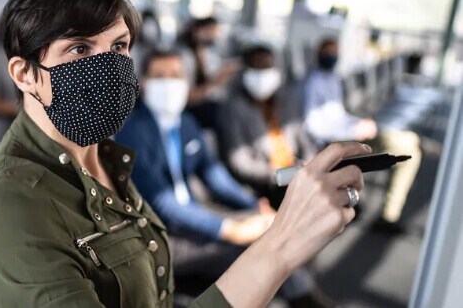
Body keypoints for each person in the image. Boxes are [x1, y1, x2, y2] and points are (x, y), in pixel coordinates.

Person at [0, 0, 369, 307]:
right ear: (25, 74)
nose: (108, 66)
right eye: (80, 49)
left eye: (119, 45)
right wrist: (281, 243)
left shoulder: (106, 158)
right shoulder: (7, 199)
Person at [115, 50, 331, 306]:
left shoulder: (186, 123)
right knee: (254, 247)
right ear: (144, 84)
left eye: (175, 75)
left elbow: (214, 174)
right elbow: (162, 203)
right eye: (160, 76)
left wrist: (252, 205)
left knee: (268, 227)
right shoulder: (132, 131)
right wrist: (230, 229)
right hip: (157, 236)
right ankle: (308, 301)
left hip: (193, 216)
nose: (169, 83)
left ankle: (303, 296)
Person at [304, 37, 422, 233]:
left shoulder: (331, 79)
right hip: (336, 143)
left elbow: (338, 116)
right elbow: (314, 126)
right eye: (329, 52)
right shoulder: (312, 83)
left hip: (349, 134)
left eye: (335, 52)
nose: (333, 56)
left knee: (410, 142)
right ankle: (389, 215)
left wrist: (357, 123)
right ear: (319, 54)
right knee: (409, 150)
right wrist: (352, 130)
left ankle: (389, 214)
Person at [215, 43, 317, 208]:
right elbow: (239, 161)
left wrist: (310, 163)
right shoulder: (233, 108)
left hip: (296, 169)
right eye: (257, 67)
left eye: (267, 66)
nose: (263, 73)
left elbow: (302, 137)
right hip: (267, 182)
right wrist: (278, 174)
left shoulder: (285, 100)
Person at [181, 17, 240, 131]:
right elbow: (188, 98)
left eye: (214, 31)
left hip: (207, 103)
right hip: (191, 108)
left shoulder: (210, 55)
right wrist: (215, 83)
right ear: (196, 30)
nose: (213, 35)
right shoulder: (184, 57)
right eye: (208, 31)